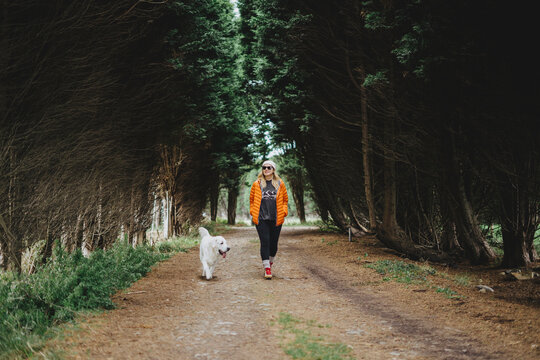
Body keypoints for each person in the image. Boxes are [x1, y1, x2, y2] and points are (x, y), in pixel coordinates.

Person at [249, 160, 289, 279]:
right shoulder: (257, 184)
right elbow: (251, 200)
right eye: (264, 167)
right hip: (261, 219)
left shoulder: (280, 183)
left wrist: (284, 211)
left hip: (276, 218)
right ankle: (267, 268)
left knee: (273, 244)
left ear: (273, 170)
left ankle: (270, 263)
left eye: (269, 167)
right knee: (265, 242)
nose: (266, 169)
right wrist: (253, 212)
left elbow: (285, 200)